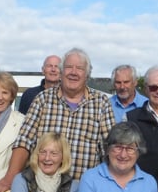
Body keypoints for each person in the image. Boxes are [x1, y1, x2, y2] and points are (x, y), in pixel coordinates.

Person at [11, 47, 115, 182]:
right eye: (69, 67)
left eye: (79, 68)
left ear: (87, 75)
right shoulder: (42, 99)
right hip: (43, 187)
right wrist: (10, 178)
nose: (73, 72)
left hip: (83, 190)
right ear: (61, 72)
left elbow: (110, 148)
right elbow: (24, 141)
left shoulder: (101, 103)